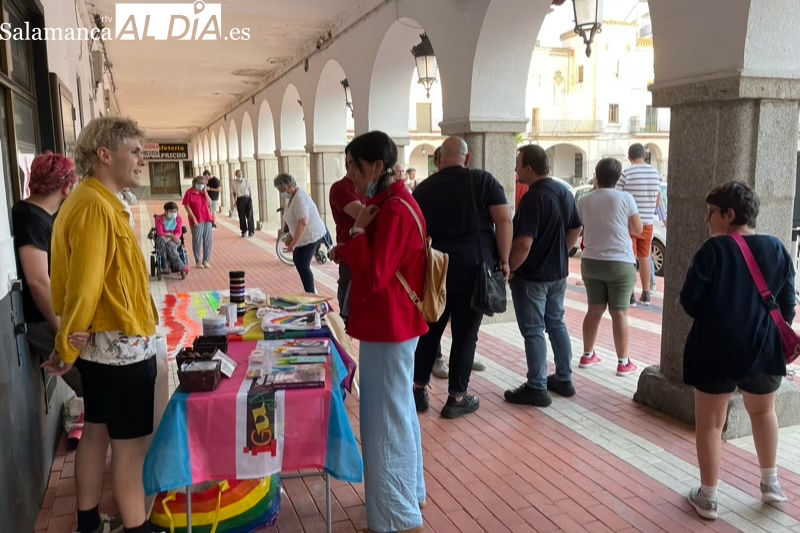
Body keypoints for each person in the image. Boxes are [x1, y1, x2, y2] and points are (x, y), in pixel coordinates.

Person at [44, 116, 161, 533]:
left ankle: (89, 521)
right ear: (104, 154)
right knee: (129, 447)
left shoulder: (93, 199)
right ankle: (136, 526)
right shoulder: (95, 206)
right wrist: (66, 346)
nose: (141, 161)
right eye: (135, 151)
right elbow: (85, 285)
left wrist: (69, 344)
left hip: (105, 348)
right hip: (119, 351)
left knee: (95, 431)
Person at [331, 130, 427, 533]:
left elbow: (373, 276)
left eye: (354, 167)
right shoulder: (389, 203)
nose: (350, 176)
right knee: (396, 413)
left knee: (385, 422)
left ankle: (395, 517)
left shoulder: (394, 210)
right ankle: (408, 496)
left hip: (391, 325)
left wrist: (355, 235)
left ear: (375, 166)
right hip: (391, 324)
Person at [681, 181, 794, 520]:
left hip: (714, 349)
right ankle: (770, 483)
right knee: (763, 412)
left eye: (711, 212)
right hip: (764, 348)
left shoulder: (713, 251)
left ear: (729, 214)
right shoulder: (777, 248)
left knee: (710, 423)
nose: (707, 220)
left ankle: (708, 497)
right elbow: (787, 306)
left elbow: (689, 301)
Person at [412, 137, 512, 419]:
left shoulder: (423, 188)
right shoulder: (482, 181)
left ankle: (418, 390)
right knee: (465, 335)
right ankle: (456, 397)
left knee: (430, 331)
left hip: (435, 270)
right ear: (467, 158)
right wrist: (505, 261)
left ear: (439, 159)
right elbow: (504, 220)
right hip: (473, 271)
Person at [504, 145, 582, 407]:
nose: (516, 169)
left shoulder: (533, 198)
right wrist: (561, 252)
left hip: (533, 277)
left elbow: (523, 243)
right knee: (556, 323)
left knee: (534, 330)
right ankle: (564, 377)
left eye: (518, 164)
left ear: (529, 168)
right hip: (558, 274)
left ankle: (536, 386)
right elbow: (576, 227)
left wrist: (510, 268)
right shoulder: (563, 191)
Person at [13, 153, 82, 395]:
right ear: (66, 187)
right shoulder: (30, 218)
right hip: (44, 320)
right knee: (92, 385)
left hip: (53, 316)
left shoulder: (37, 215)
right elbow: (39, 280)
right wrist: (61, 329)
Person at [576, 158, 641, 376]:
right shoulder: (626, 198)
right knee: (619, 312)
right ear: (618, 178)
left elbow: (579, 228)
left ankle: (587, 355)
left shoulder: (584, 200)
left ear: (596, 176)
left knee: (594, 310)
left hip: (591, 261)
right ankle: (623, 362)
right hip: (620, 262)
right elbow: (637, 229)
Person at [616, 143, 662, 306]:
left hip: (629, 224)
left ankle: (630, 296)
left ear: (629, 158)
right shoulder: (656, 173)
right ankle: (646, 294)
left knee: (630, 259)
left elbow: (618, 198)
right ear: (645, 155)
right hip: (648, 223)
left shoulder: (626, 174)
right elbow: (657, 201)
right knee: (644, 258)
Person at [273, 173, 327, 293]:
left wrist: (294, 243)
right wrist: (291, 236)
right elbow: (294, 219)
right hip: (303, 236)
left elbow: (303, 221)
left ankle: (311, 293)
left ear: (289, 186)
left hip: (311, 235)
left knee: (302, 264)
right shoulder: (293, 196)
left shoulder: (299, 198)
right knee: (298, 260)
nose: (281, 193)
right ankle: (310, 290)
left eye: (281, 190)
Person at [329, 174, 365, 321]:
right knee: (349, 316)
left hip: (368, 260)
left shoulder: (372, 188)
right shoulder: (340, 188)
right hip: (350, 260)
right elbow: (363, 214)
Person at [183, 176, 214, 268]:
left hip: (207, 218)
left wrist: (205, 192)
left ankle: (206, 260)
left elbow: (210, 203)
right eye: (200, 183)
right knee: (197, 240)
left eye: (203, 183)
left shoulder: (203, 192)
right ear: (195, 183)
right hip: (196, 219)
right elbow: (186, 206)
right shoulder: (189, 193)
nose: (201, 185)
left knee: (208, 240)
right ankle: (198, 261)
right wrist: (193, 218)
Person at [154, 201, 189, 275]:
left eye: (175, 211)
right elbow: (160, 233)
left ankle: (179, 265)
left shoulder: (178, 219)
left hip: (174, 239)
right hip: (162, 239)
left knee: (170, 245)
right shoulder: (159, 219)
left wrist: (173, 237)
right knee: (161, 240)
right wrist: (171, 236)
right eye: (171, 211)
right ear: (166, 211)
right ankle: (165, 265)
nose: (173, 213)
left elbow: (179, 232)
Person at [232, 169, 255, 237]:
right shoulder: (234, 182)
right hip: (240, 199)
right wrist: (235, 201)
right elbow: (234, 192)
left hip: (247, 198)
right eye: (238, 174)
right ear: (236, 175)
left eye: (240, 173)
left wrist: (250, 198)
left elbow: (250, 190)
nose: (239, 175)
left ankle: (251, 231)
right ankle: (244, 231)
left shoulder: (246, 180)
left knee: (250, 215)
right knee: (241, 216)